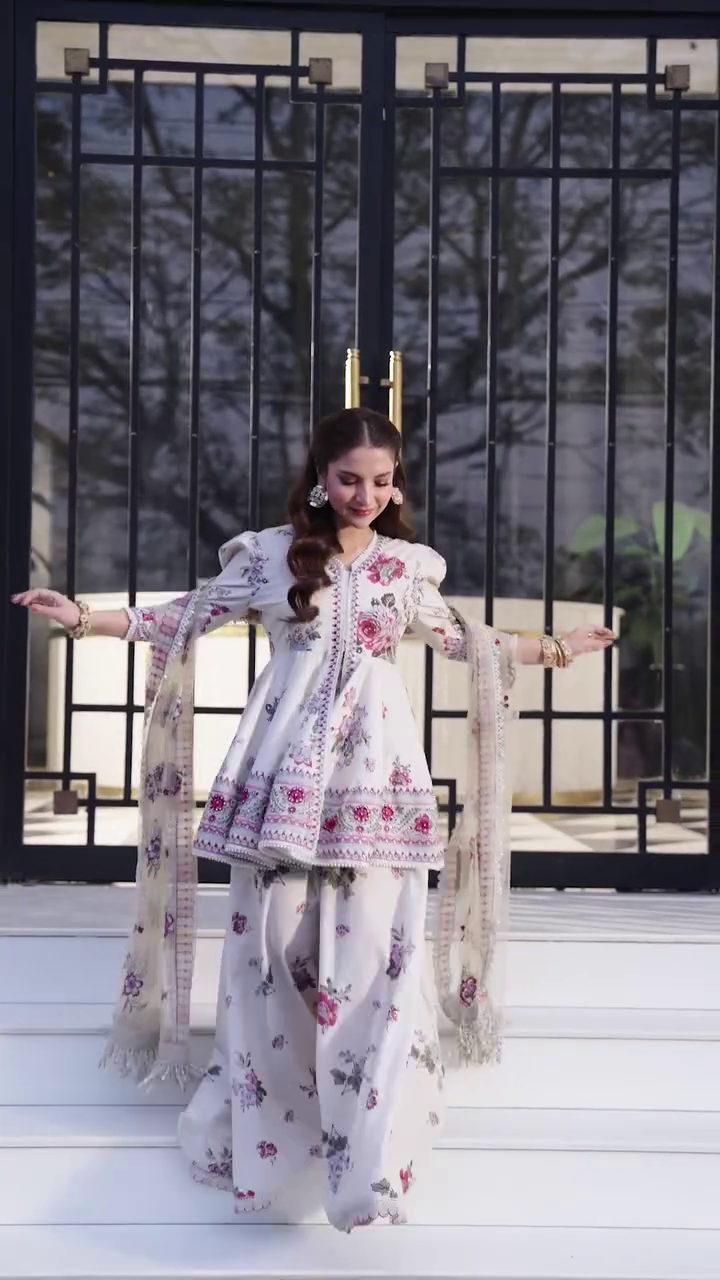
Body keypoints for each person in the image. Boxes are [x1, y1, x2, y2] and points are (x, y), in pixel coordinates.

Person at [13, 407, 614, 1231]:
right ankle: (270, 1145)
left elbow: (466, 641)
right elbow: (183, 615)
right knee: (273, 957)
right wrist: (82, 616)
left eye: (382, 481)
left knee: (376, 960)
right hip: (282, 782)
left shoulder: (406, 568)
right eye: (349, 479)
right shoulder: (271, 556)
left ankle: (368, 1166)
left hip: (376, 780)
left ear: (396, 484)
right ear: (321, 479)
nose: (367, 495)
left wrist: (560, 647)